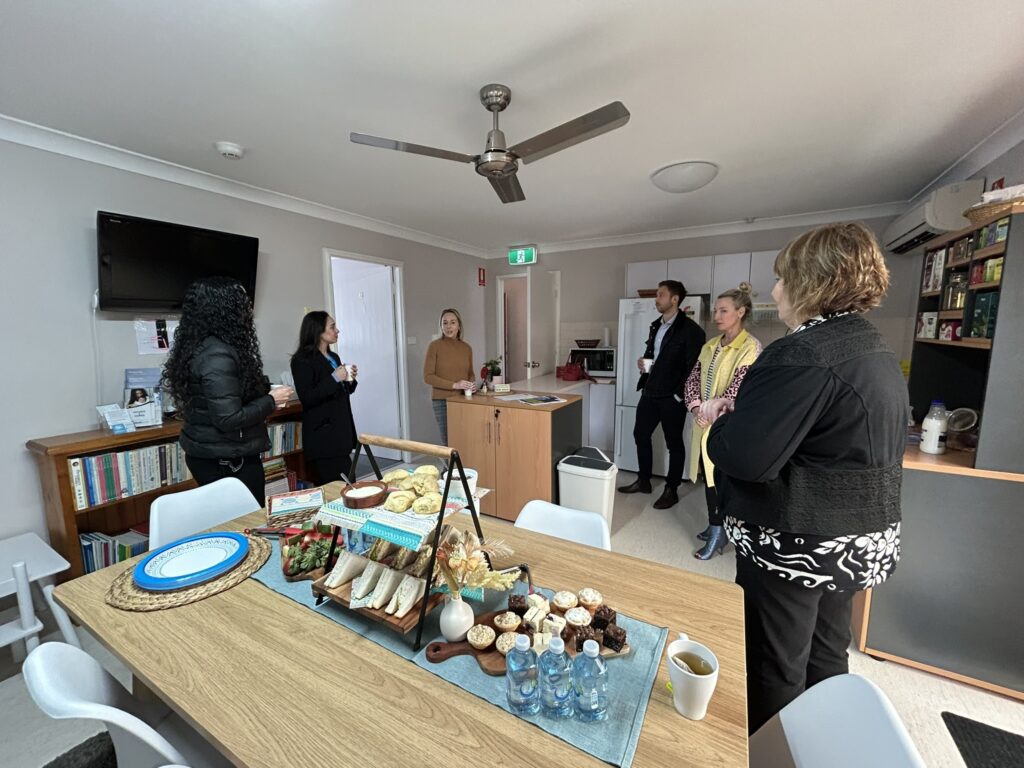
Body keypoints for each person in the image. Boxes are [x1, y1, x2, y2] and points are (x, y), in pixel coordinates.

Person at [705, 222, 909, 734]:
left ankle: (775, 751)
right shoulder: (872, 346)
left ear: (811, 281)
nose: (775, 292)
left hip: (797, 542)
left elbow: (745, 456)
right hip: (852, 539)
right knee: (825, 651)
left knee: (775, 664)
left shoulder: (800, 353)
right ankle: (821, 744)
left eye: (782, 278)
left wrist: (723, 420)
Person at [162, 276, 293, 506]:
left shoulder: (203, 346)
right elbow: (228, 417)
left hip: (217, 453)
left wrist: (264, 390)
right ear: (227, 309)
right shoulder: (217, 355)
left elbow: (232, 391)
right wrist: (270, 401)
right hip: (226, 460)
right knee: (248, 523)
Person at [684, 284, 762, 559]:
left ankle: (719, 533)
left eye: (723, 310)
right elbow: (693, 379)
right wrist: (696, 408)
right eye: (716, 310)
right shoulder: (710, 346)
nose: (716, 315)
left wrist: (711, 414)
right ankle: (715, 525)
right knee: (707, 477)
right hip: (703, 422)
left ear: (740, 312)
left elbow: (738, 390)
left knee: (719, 480)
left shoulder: (750, 348)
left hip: (727, 427)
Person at [617, 279, 706, 509]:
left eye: (660, 295)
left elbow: (693, 368)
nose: (656, 299)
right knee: (640, 435)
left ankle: (671, 489)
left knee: (674, 443)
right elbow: (657, 357)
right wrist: (645, 364)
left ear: (674, 299)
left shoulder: (691, 331)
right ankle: (644, 480)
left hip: (672, 397)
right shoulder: (656, 325)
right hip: (650, 391)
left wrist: (679, 396)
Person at [290, 311, 359, 486]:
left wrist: (350, 379)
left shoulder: (333, 357)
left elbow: (341, 391)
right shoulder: (301, 360)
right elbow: (308, 397)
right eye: (332, 326)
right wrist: (335, 378)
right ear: (318, 331)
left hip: (341, 431)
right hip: (323, 437)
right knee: (339, 489)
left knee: (349, 486)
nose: (338, 330)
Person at [423, 308, 475, 445]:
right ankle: (451, 467)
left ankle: (462, 467)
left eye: (452, 322)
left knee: (464, 439)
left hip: (463, 400)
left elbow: (470, 373)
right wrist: (455, 385)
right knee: (449, 441)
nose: (448, 326)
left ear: (459, 325)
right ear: (441, 326)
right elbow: (428, 377)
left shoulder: (466, 348)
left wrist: (471, 384)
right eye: (444, 323)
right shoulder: (434, 346)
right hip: (442, 402)